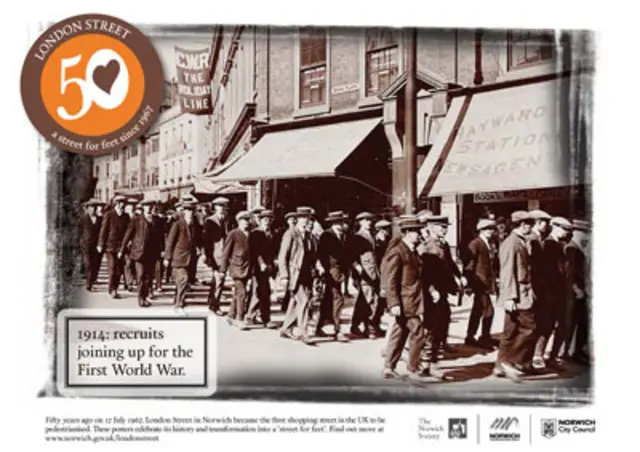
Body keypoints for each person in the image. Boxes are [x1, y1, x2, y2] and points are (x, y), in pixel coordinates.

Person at [382, 216, 430, 382]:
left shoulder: (412, 250)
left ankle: (389, 367)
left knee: (399, 333)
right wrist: (393, 303)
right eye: (417, 231)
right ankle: (413, 369)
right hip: (405, 300)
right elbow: (390, 279)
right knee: (418, 332)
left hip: (412, 299)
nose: (420, 234)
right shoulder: (398, 251)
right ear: (408, 233)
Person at [494, 211, 537, 382]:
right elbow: (507, 271)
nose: (529, 227)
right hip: (518, 296)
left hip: (521, 293)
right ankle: (511, 361)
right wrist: (509, 297)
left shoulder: (519, 242)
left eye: (530, 224)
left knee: (509, 332)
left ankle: (500, 365)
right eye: (527, 224)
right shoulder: (511, 243)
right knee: (529, 328)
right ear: (519, 225)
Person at [422, 215, 465, 356]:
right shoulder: (427, 246)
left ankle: (441, 343)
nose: (445, 230)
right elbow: (425, 273)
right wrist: (432, 289)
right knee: (433, 319)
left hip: (443, 288)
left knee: (445, 315)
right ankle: (428, 348)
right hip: (432, 290)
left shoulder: (443, 244)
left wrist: (459, 276)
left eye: (446, 227)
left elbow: (450, 263)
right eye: (442, 227)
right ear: (432, 227)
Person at [278, 206, 319, 345]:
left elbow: (312, 255)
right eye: (303, 218)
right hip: (294, 274)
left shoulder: (309, 236)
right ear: (298, 219)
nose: (306, 221)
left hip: (307, 274)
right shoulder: (290, 234)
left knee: (296, 302)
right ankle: (303, 332)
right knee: (304, 301)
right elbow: (283, 256)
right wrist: (284, 276)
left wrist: (317, 267)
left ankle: (285, 328)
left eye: (308, 218)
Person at [119, 199, 164, 307]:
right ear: (143, 208)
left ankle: (145, 296)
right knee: (141, 276)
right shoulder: (136, 220)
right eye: (146, 206)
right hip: (139, 253)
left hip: (152, 254)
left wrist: (162, 250)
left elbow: (160, 237)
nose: (149, 208)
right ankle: (141, 298)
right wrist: (122, 249)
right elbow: (127, 235)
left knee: (148, 277)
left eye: (151, 206)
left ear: (153, 207)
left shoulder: (156, 220)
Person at [542, 217, 574, 367]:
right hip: (552, 292)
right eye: (563, 229)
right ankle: (540, 355)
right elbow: (550, 271)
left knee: (562, 324)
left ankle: (553, 356)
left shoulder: (560, 244)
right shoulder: (549, 244)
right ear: (554, 227)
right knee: (548, 324)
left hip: (561, 291)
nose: (566, 232)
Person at [316, 211, 351, 342]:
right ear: (332, 223)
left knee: (328, 299)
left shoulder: (344, 235)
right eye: (338, 222)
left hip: (340, 270)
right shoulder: (327, 235)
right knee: (338, 299)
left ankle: (319, 327)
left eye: (341, 222)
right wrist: (322, 269)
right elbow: (321, 253)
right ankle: (337, 329)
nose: (341, 224)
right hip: (330, 271)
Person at [463, 218, 499, 348]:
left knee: (477, 310)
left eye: (492, 229)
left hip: (486, 282)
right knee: (488, 311)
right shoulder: (475, 244)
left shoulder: (490, 243)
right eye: (487, 229)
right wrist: (469, 284)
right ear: (481, 230)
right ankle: (483, 337)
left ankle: (471, 336)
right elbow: (469, 264)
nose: (490, 231)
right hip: (479, 283)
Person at [350, 212, 383, 338]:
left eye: (370, 220)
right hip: (364, 273)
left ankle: (356, 324)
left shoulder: (372, 235)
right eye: (365, 220)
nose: (369, 222)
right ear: (360, 222)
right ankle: (369, 328)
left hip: (374, 272)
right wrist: (358, 269)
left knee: (364, 300)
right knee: (370, 300)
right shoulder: (357, 237)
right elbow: (352, 256)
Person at [528, 209, 553, 369]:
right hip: (535, 289)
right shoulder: (532, 239)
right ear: (538, 222)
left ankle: (536, 355)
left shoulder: (541, 239)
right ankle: (531, 356)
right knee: (533, 324)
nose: (547, 226)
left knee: (544, 322)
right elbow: (529, 266)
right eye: (545, 222)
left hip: (542, 288)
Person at [246, 209, 279, 329]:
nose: (267, 222)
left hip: (268, 267)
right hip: (257, 267)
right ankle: (250, 316)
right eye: (265, 220)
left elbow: (274, 251)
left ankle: (265, 318)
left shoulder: (272, 234)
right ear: (260, 221)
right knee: (257, 292)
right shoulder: (255, 233)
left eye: (269, 220)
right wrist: (261, 263)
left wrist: (274, 262)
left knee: (266, 292)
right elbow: (255, 251)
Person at [164, 201, 199, 311]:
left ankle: (177, 298)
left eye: (192, 210)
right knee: (183, 279)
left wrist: (200, 251)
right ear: (184, 212)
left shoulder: (195, 225)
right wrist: (167, 257)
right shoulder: (178, 224)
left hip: (190, 258)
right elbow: (170, 241)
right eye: (188, 210)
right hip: (179, 257)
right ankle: (179, 303)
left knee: (182, 281)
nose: (190, 212)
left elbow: (197, 240)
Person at [221, 211, 253, 330]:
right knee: (242, 293)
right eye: (243, 220)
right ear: (238, 221)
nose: (246, 222)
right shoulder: (233, 234)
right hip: (236, 268)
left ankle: (230, 315)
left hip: (247, 268)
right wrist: (222, 269)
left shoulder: (250, 234)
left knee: (238, 294)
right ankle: (240, 318)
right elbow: (226, 253)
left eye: (247, 220)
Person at [565, 219, 591, 364]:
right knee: (572, 323)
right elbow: (570, 273)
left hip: (583, 291)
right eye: (584, 232)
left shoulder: (581, 247)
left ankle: (578, 351)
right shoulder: (572, 249)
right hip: (575, 293)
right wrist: (576, 289)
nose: (586, 235)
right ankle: (567, 353)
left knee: (582, 323)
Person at [97, 195, 130, 299]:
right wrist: (100, 244)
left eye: (124, 203)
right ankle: (112, 289)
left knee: (119, 270)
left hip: (121, 247)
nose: (123, 205)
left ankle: (114, 287)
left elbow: (128, 232)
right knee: (112, 268)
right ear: (117, 203)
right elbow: (103, 230)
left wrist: (128, 242)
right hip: (110, 246)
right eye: (121, 203)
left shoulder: (126, 216)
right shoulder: (109, 214)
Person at [203, 197, 230, 315]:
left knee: (218, 280)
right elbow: (206, 240)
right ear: (215, 208)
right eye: (219, 206)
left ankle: (211, 301)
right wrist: (207, 255)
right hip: (216, 255)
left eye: (224, 206)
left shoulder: (227, 220)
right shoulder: (210, 221)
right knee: (219, 279)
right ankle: (215, 305)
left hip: (225, 254)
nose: (222, 209)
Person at [78, 199, 102, 291]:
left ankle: (92, 281)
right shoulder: (83, 218)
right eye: (91, 207)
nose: (93, 209)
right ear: (87, 209)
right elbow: (78, 231)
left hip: (96, 246)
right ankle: (88, 284)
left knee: (94, 264)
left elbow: (101, 232)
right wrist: (80, 242)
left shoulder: (99, 219)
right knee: (87, 264)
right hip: (85, 245)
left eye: (94, 207)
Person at [279, 212, 297, 313]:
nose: (293, 221)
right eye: (291, 220)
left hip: (295, 265)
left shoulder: (298, 232)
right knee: (291, 289)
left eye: (294, 219)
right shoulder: (287, 233)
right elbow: (283, 252)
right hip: (289, 265)